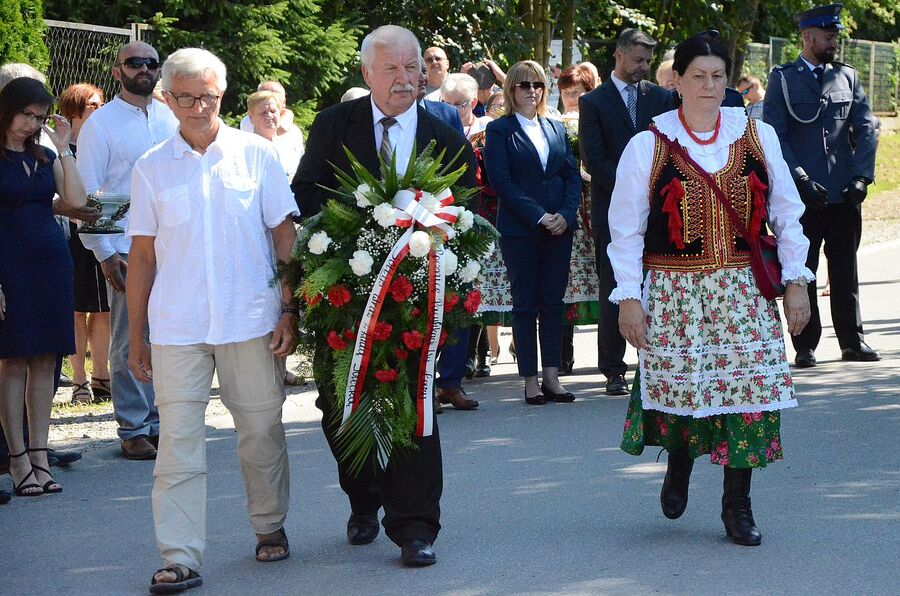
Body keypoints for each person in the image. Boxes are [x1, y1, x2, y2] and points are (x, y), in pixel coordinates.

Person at [610, 31, 813, 546]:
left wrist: (796, 283)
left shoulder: (757, 135)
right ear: (676, 81)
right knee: (686, 389)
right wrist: (629, 297)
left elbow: (788, 214)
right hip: (676, 294)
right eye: (697, 75)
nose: (708, 85)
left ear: (729, 81)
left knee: (746, 395)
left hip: (744, 292)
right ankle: (679, 465)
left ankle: (737, 504)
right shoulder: (648, 145)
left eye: (717, 75)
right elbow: (626, 229)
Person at [292, 25, 476, 567]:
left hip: (418, 292)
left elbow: (466, 202)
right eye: (390, 69)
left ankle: (415, 525)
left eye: (411, 67)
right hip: (345, 291)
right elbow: (305, 192)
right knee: (339, 402)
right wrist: (349, 232)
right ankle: (364, 496)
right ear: (368, 73)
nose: (403, 79)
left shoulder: (442, 127)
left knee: (414, 399)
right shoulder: (334, 124)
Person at [127, 47, 299, 593]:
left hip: (251, 318)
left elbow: (284, 236)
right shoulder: (150, 166)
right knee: (177, 442)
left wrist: (289, 308)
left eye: (209, 96)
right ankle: (179, 555)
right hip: (177, 326)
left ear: (223, 96)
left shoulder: (257, 155)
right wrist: (137, 336)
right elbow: (143, 257)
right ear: (167, 97)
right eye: (186, 97)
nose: (199, 107)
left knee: (261, 429)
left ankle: (269, 524)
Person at [76, 41, 180, 460]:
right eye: (134, 63)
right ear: (117, 72)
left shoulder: (171, 116)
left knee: (169, 334)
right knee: (129, 336)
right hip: (125, 248)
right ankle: (134, 426)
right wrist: (103, 252)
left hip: (175, 244)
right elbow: (88, 194)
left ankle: (160, 420)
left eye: (151, 63)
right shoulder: (101, 124)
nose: (144, 69)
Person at [763, 3, 880, 367]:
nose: (833, 43)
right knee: (804, 268)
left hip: (844, 191)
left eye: (835, 37)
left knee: (845, 268)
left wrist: (862, 175)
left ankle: (852, 340)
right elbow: (774, 136)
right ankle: (804, 344)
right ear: (808, 36)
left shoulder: (847, 76)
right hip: (803, 195)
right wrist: (798, 178)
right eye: (828, 37)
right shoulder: (783, 79)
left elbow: (867, 127)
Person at [0, 77, 88, 496]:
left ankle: (40, 453)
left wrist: (64, 145)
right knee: (14, 359)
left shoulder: (41, 152)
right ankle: (16, 459)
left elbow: (75, 199)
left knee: (46, 360)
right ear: (7, 110)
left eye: (38, 117)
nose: (31, 123)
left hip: (51, 263)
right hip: (9, 265)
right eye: (25, 115)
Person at [579, 28, 675, 395]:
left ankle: (655, 360)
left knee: (658, 286)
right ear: (619, 55)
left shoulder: (661, 98)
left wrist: (656, 191)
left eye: (648, 61)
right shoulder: (594, 102)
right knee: (616, 289)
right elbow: (594, 158)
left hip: (660, 211)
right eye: (638, 60)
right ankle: (613, 368)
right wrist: (632, 189)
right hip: (613, 209)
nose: (643, 67)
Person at [483, 60, 581, 405]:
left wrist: (566, 215)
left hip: (559, 228)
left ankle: (553, 376)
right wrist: (539, 216)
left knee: (553, 303)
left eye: (538, 85)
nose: (532, 91)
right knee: (525, 305)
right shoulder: (499, 130)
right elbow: (501, 182)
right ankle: (530, 379)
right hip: (521, 230)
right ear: (511, 89)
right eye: (524, 85)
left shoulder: (555, 128)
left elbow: (571, 176)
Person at [58, 82, 111, 404]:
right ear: (75, 109)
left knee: (104, 309)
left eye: (101, 104)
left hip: (103, 227)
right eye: (93, 105)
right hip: (69, 234)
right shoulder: (61, 147)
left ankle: (102, 376)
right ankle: (79, 381)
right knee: (77, 310)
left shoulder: (103, 140)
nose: (99, 110)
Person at [556, 64, 601, 375]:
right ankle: (562, 353)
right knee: (564, 280)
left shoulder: (596, 120)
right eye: (566, 93)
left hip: (594, 204)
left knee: (601, 276)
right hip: (566, 208)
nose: (572, 99)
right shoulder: (552, 123)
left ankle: (608, 355)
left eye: (578, 93)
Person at [246, 90, 302, 179]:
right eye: (263, 113)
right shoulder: (246, 149)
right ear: (251, 117)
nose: (269, 116)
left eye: (273, 111)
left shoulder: (288, 147)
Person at [441, 73, 492, 139]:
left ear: (473, 103)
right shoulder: (438, 128)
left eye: (457, 104)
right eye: (447, 104)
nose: (451, 109)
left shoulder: (485, 127)